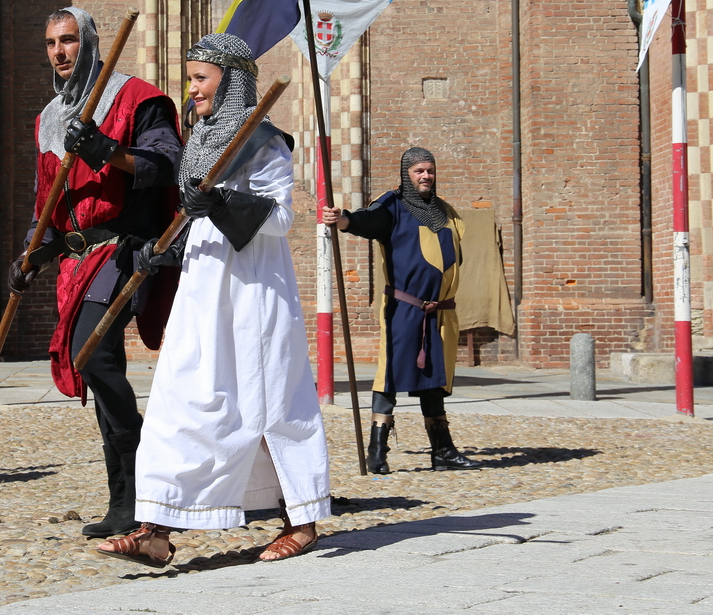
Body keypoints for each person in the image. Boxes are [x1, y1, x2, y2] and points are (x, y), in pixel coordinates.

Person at [96, 33, 330, 568]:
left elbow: (281, 218)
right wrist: (166, 251)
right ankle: (156, 528)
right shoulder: (200, 139)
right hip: (202, 288)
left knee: (267, 400)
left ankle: (303, 519)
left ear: (231, 80)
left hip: (253, 291)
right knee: (182, 399)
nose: (192, 88)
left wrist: (222, 199)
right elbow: (192, 218)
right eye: (192, 78)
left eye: (201, 78)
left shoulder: (264, 141)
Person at [8, 7, 181, 539]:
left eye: (67, 41)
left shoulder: (138, 98)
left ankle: (148, 474)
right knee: (96, 367)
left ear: (89, 43)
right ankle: (124, 501)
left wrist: (107, 148)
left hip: (127, 247)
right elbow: (48, 201)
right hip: (75, 259)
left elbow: (163, 165)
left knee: (93, 354)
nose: (59, 52)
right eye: (50, 43)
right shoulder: (48, 118)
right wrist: (31, 256)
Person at [322, 148, 482, 473]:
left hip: (439, 313)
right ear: (406, 174)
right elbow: (368, 220)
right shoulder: (393, 206)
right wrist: (344, 220)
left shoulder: (445, 212)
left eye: (430, 171)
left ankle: (443, 451)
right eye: (419, 171)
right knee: (390, 375)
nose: (425, 176)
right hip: (404, 308)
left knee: (433, 377)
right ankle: (377, 451)